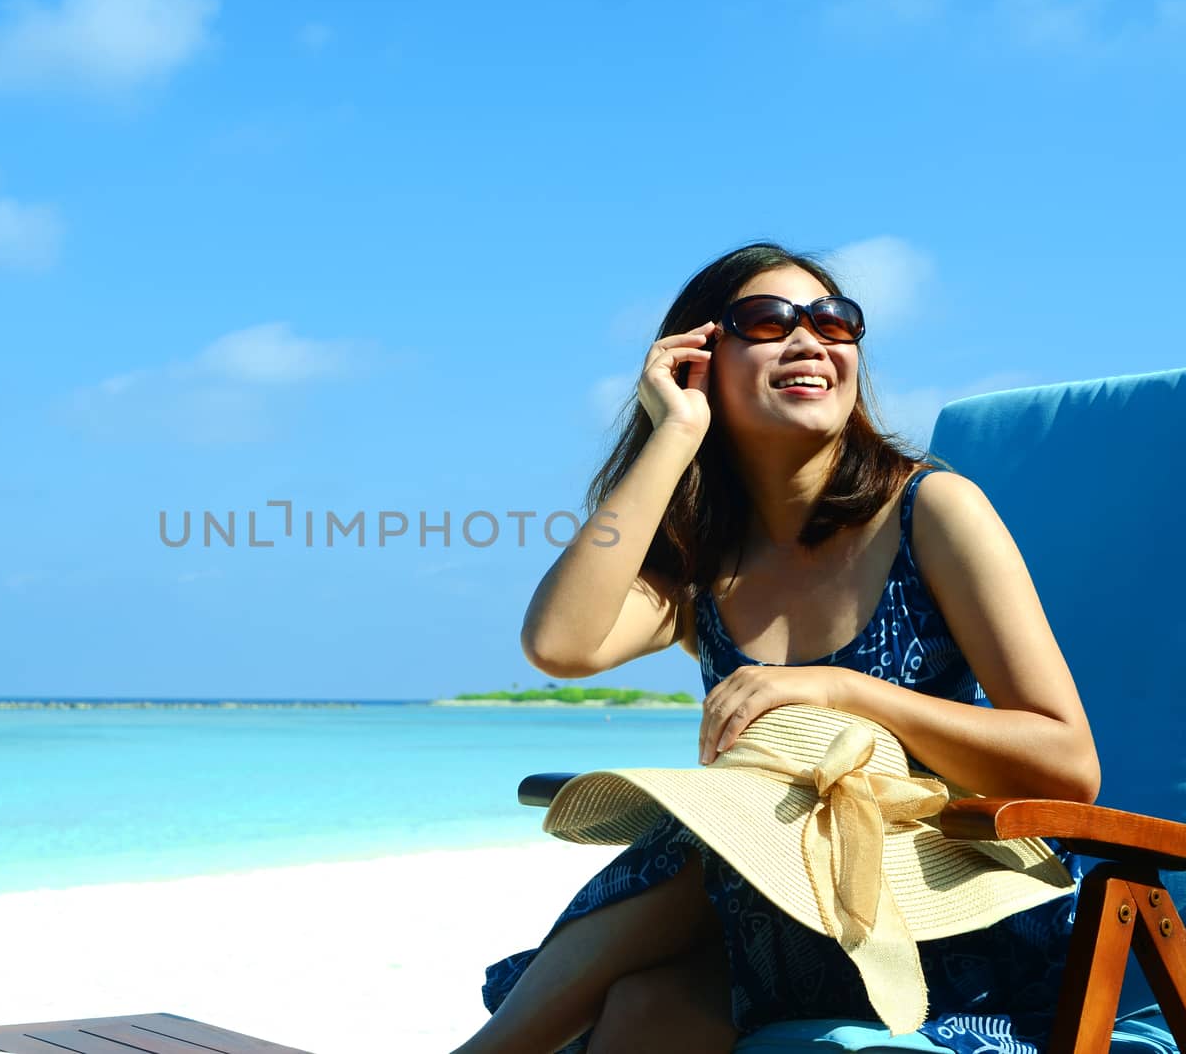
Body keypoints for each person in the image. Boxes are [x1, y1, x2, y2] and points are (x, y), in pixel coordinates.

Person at [450, 241, 1101, 1054]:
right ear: (701, 359)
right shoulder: (711, 568)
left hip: (945, 922)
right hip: (767, 920)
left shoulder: (932, 511)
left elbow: (1070, 762)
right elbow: (558, 644)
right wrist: (672, 437)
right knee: (644, 1010)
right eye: (767, 321)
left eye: (834, 322)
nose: (811, 341)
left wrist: (841, 692)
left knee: (730, 822)